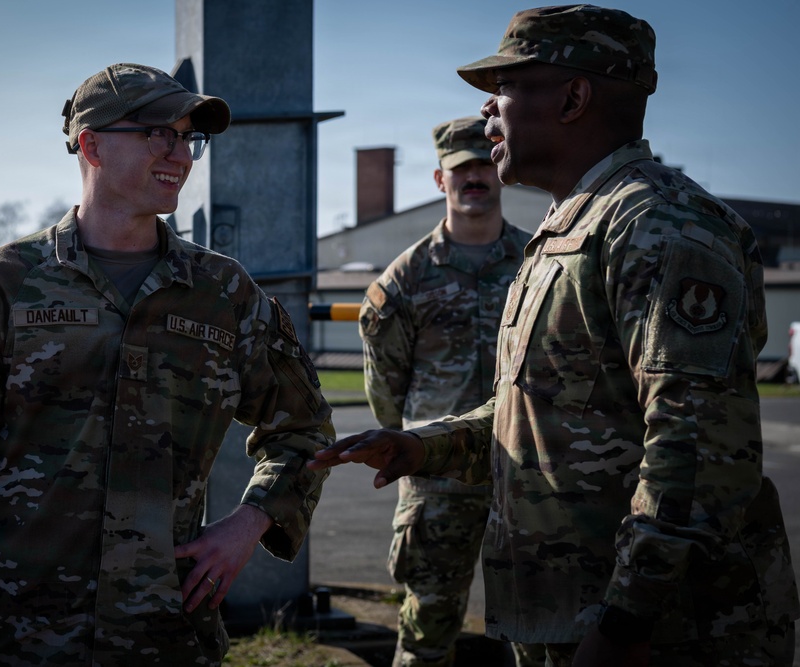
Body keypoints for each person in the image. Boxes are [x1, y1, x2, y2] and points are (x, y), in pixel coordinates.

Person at [311, 5, 799, 666]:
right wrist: (421, 446)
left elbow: (696, 452)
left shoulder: (660, 226)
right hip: (561, 620)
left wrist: (624, 624)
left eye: (504, 88)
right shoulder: (567, 230)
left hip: (660, 635)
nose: (486, 114)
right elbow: (541, 413)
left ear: (574, 97)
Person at [0, 62, 334, 666]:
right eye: (156, 133)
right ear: (91, 144)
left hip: (167, 638)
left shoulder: (224, 294)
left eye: (187, 136)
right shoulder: (4, 285)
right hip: (20, 640)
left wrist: (251, 520)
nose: (179, 153)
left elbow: (305, 429)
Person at [360, 116, 536, 666]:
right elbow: (385, 393)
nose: (475, 178)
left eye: (484, 164)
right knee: (428, 628)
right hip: (438, 478)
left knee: (543, 625)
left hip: (530, 473)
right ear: (441, 180)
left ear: (501, 172)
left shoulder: (540, 262)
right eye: (462, 170)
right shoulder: (404, 280)